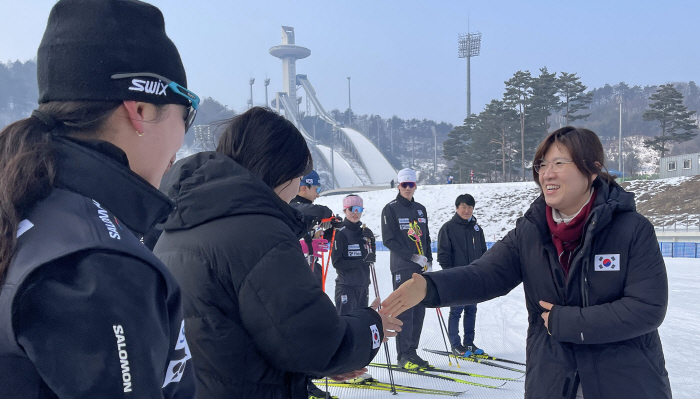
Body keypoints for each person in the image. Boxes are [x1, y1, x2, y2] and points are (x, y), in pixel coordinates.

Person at [381, 127, 672, 399]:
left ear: (593, 169)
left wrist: (567, 322)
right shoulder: (531, 231)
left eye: (559, 163)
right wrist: (429, 287)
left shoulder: (631, 229)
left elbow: (646, 309)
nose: (547, 174)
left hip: (626, 382)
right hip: (552, 378)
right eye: (541, 165)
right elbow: (485, 274)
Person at [0, 1, 198, 398]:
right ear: (140, 109)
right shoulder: (100, 264)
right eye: (186, 113)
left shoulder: (30, 208)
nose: (181, 143)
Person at [153, 107, 402, 399]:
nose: (297, 187)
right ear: (280, 172)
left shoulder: (176, 225)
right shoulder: (257, 232)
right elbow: (314, 344)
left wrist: (318, 365)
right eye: (298, 175)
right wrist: (372, 327)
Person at [380, 168, 432, 369]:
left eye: (411, 185)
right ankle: (403, 355)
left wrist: (428, 258)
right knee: (405, 311)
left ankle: (412, 351)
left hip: (421, 266)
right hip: (403, 266)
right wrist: (412, 256)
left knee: (419, 309)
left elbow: (425, 236)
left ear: (415, 186)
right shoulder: (390, 209)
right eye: (404, 185)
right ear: (398, 186)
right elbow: (389, 240)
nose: (408, 188)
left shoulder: (420, 208)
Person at [437, 194, 487, 357]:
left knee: (471, 310)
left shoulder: (476, 229)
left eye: (470, 207)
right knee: (456, 310)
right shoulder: (448, 228)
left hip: (474, 276)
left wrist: (483, 270)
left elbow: (484, 252)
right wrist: (449, 275)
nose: (467, 210)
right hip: (457, 276)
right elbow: (443, 254)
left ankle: (469, 343)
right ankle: (456, 344)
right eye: (464, 207)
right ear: (457, 208)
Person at [290, 170, 339, 286]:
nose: (318, 194)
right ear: (304, 188)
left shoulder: (311, 213)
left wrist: (332, 230)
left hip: (312, 267)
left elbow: (320, 240)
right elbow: (298, 208)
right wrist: (325, 211)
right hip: (295, 270)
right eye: (317, 189)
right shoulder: (292, 206)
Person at [332, 195, 376, 315]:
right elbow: (337, 263)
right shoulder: (341, 233)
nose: (356, 213)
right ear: (345, 210)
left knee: (360, 325)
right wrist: (361, 262)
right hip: (347, 286)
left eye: (359, 209)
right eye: (352, 209)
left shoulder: (364, 233)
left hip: (363, 286)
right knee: (346, 324)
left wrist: (372, 242)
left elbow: (371, 258)